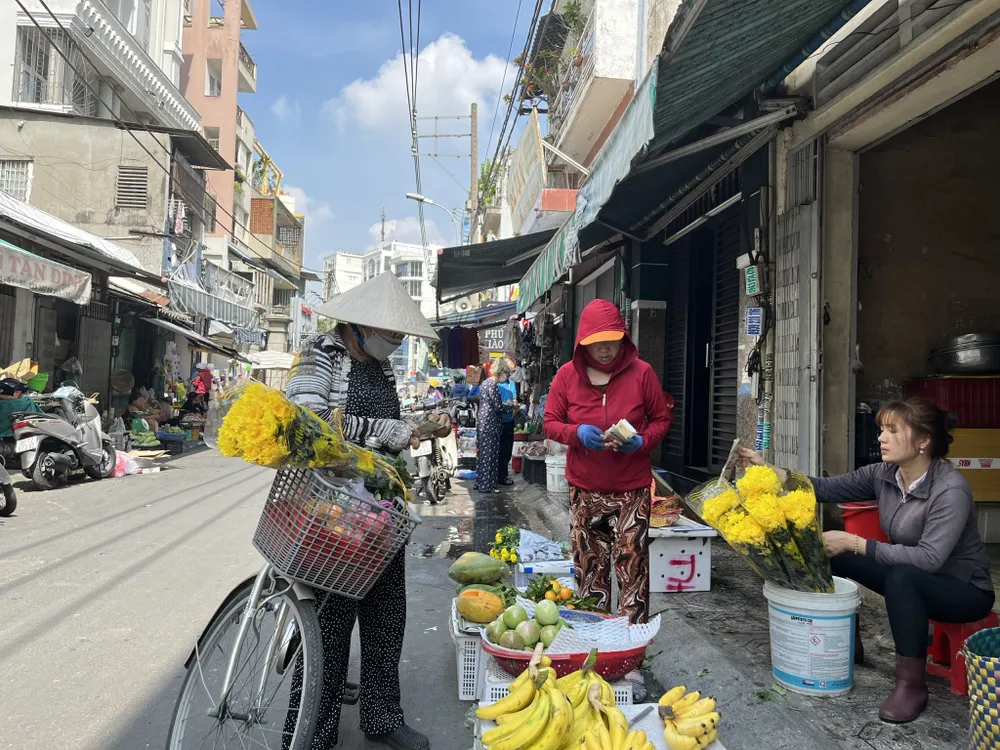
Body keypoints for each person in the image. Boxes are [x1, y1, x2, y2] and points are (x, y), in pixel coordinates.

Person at [737, 396, 994, 724]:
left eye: (892, 431)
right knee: (832, 556)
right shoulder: (885, 474)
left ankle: (911, 686)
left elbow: (929, 559)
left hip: (964, 590)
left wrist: (856, 542)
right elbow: (825, 488)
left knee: (901, 575)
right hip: (911, 577)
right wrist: (771, 472)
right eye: (881, 430)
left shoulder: (950, 490)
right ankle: (844, 645)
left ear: (923, 441)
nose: (880, 438)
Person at [282, 271, 437, 750]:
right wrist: (381, 432)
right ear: (359, 325)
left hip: (380, 511)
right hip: (332, 509)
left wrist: (408, 428)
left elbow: (384, 424)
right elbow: (304, 422)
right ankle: (313, 733)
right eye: (392, 333)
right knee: (328, 625)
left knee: (387, 615)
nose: (396, 342)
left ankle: (382, 716)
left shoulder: (380, 366)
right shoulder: (320, 353)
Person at [544, 300, 672, 623]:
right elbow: (549, 422)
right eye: (596, 343)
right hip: (585, 492)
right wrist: (576, 433)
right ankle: (595, 650)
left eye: (611, 341)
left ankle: (631, 655)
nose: (604, 349)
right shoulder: (566, 377)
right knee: (590, 574)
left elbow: (661, 420)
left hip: (632, 493)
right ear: (583, 343)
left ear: (623, 338)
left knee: (633, 572)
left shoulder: (642, 373)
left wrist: (642, 442)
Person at [474, 359, 513, 493]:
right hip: (490, 423)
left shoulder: (484, 383)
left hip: (484, 422)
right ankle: (487, 485)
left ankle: (481, 483)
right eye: (506, 374)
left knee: (483, 454)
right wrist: (510, 406)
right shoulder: (492, 385)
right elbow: (498, 406)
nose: (506, 377)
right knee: (490, 454)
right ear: (501, 372)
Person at [497, 358, 518, 486]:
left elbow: (514, 399)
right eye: (508, 372)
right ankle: (497, 475)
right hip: (497, 421)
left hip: (509, 421)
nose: (509, 374)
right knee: (497, 449)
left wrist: (515, 405)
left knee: (506, 450)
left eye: (511, 372)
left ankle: (503, 476)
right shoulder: (495, 384)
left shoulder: (511, 384)